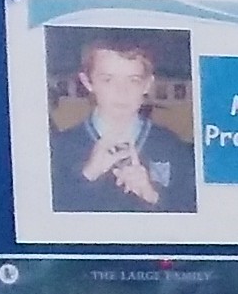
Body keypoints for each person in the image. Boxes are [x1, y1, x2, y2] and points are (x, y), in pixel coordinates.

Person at [46, 35, 195, 215]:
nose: (121, 92)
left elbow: (195, 213)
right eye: (108, 80)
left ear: (147, 85)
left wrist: (153, 196)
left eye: (133, 80)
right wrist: (87, 175)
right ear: (87, 82)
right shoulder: (59, 149)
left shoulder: (172, 147)